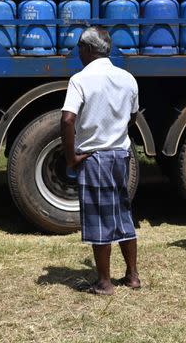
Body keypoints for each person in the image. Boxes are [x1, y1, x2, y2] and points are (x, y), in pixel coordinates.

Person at [61, 27, 140, 295]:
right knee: (122, 213)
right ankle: (132, 275)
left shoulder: (80, 80)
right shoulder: (127, 78)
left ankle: (105, 282)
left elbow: (67, 119)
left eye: (79, 48)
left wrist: (71, 156)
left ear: (87, 49)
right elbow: (133, 116)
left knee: (98, 218)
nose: (78, 52)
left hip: (94, 157)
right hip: (121, 154)